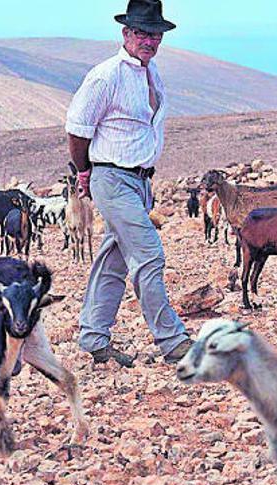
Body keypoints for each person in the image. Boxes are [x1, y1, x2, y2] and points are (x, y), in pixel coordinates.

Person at [65, 0, 193, 367]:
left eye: (155, 33)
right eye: (141, 32)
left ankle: (93, 338)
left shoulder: (151, 74)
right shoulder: (107, 75)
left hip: (140, 183)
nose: (149, 40)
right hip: (111, 177)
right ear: (126, 33)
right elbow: (78, 127)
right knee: (149, 255)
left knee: (113, 261)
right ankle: (173, 341)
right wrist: (84, 171)